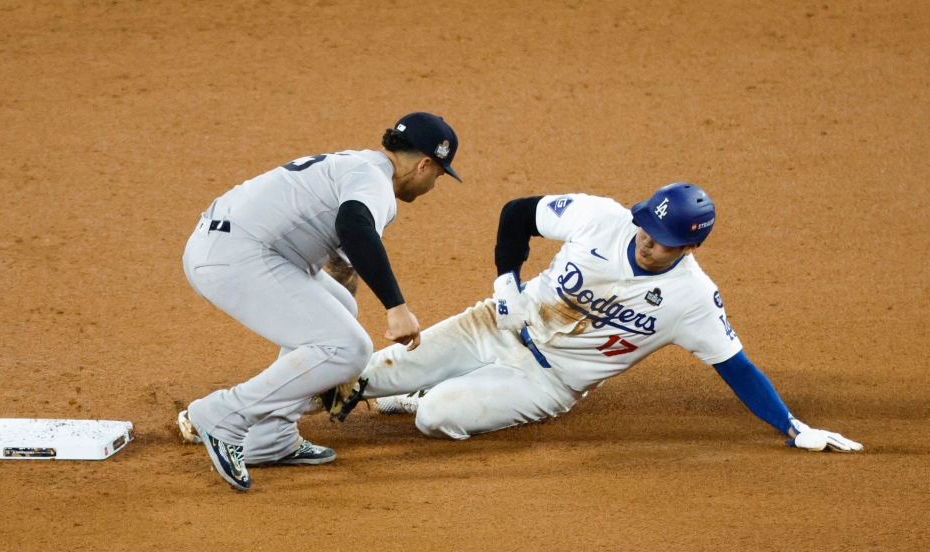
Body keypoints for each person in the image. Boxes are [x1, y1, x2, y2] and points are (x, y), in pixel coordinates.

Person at [346, 183, 862, 453]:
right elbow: (517, 212)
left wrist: (792, 426)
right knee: (367, 374)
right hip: (497, 325)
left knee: (435, 415)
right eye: (646, 229)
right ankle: (274, 428)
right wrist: (507, 280)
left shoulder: (693, 299)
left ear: (693, 244)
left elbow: (737, 367)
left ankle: (426, 392)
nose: (648, 243)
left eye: (665, 244)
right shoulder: (603, 218)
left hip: (547, 382)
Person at [178, 112, 462, 490]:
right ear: (425, 164)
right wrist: (396, 307)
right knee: (350, 348)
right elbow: (355, 226)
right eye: (439, 175)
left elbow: (343, 260)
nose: (433, 184)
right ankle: (223, 414)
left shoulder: (355, 165)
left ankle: (270, 439)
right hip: (234, 258)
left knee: (342, 312)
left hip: (229, 245)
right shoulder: (374, 183)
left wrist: (336, 356)